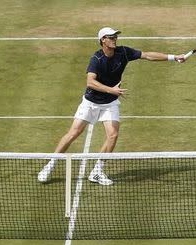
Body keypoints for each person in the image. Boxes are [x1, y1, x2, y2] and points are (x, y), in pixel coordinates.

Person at [37, 27, 186, 185]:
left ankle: (97, 171)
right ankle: (50, 165)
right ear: (103, 40)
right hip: (91, 102)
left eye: (115, 36)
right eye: (111, 37)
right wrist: (112, 90)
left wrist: (174, 57)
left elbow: (147, 55)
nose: (115, 39)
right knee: (73, 134)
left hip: (110, 104)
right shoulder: (97, 58)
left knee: (113, 135)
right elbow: (90, 82)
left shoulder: (124, 52)